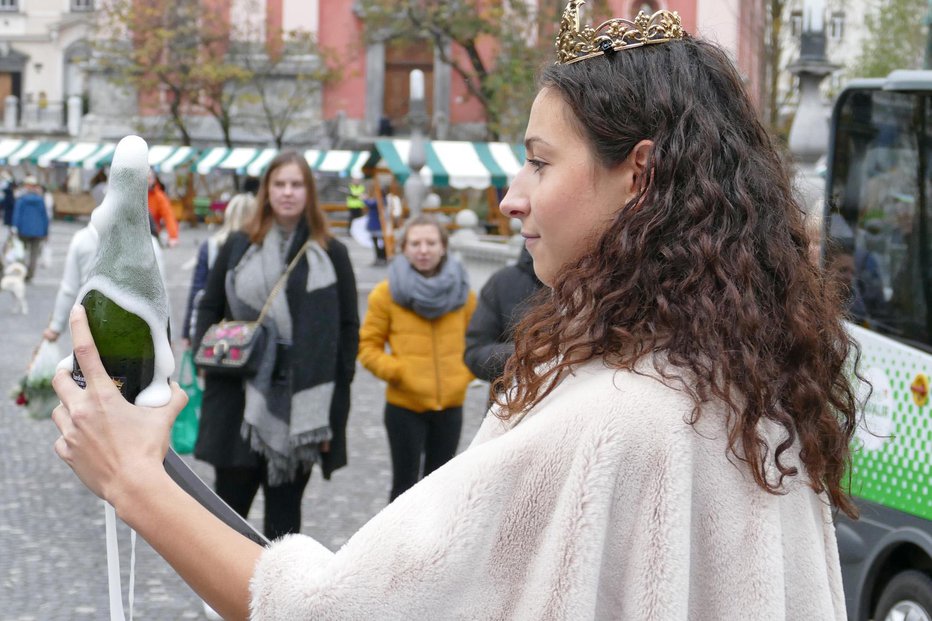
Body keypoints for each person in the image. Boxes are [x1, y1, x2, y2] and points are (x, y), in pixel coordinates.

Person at [50, 6, 858, 619]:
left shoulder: (612, 415)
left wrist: (133, 478)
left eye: (540, 162)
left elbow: (331, 611)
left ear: (638, 175)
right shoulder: (754, 388)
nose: (511, 197)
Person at [191, 151, 359, 542]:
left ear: (308, 193)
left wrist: (332, 404)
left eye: (296, 185)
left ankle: (276, 599)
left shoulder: (332, 253)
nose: (287, 193)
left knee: (285, 523)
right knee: (229, 516)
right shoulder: (238, 245)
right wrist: (207, 358)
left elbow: (348, 330)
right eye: (279, 184)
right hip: (238, 396)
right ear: (266, 191)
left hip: (302, 406)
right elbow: (209, 305)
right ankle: (224, 596)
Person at [358, 214, 476, 501]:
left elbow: (476, 341)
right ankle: (396, 546)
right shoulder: (386, 294)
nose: (423, 250)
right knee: (404, 490)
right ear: (404, 249)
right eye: (415, 243)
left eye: (430, 243)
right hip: (404, 406)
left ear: (443, 247)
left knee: (441, 490)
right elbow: (367, 347)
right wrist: (398, 371)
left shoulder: (463, 294)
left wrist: (462, 375)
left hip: (449, 405)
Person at [42, 206, 166, 344]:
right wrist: (165, 336)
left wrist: (56, 326)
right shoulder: (150, 244)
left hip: (90, 326)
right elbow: (159, 294)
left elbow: (68, 289)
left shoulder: (82, 239)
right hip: (136, 331)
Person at [180, 193, 258, 348]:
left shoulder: (210, 245)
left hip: (213, 329)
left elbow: (197, 291)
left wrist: (187, 331)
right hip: (248, 331)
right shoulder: (257, 248)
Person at [463, 245, 543, 387]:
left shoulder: (591, 280)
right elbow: (474, 354)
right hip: (510, 402)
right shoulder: (503, 281)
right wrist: (522, 354)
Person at [11, 175, 49, 281]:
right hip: (38, 230)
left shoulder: (21, 199)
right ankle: (30, 274)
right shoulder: (40, 200)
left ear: (26, 186)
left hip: (23, 229)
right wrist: (46, 232)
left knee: (22, 252)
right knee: (34, 254)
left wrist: (14, 227)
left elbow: (17, 214)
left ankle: (22, 272)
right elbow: (44, 216)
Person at [148, 169, 179, 247]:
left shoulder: (159, 196)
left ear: (154, 179)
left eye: (150, 178)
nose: (148, 181)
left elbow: (168, 216)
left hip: (152, 234)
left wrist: (173, 236)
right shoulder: (135, 196)